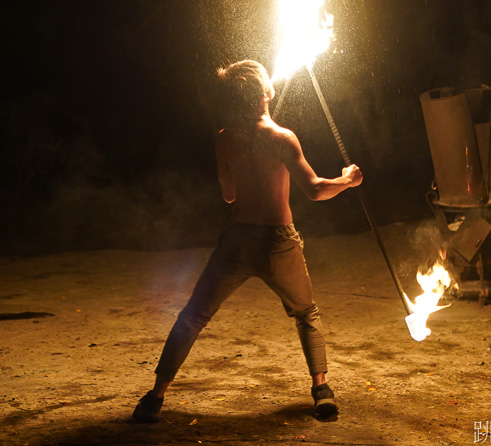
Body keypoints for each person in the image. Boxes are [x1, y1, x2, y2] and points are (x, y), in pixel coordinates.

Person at [133, 59, 363, 422]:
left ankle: (154, 397)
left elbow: (228, 195)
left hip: (238, 241)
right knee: (305, 313)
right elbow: (316, 190)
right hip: (277, 243)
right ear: (266, 94)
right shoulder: (283, 138)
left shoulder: (224, 138)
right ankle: (321, 391)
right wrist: (347, 180)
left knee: (193, 316)